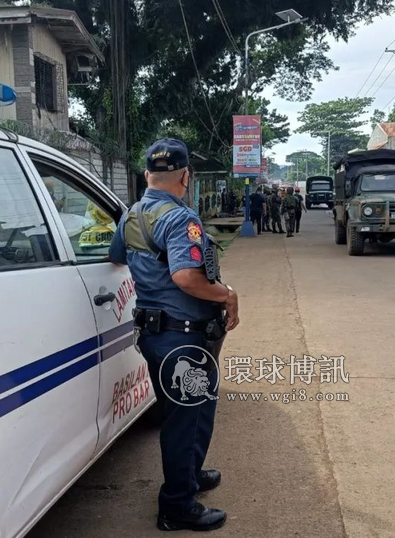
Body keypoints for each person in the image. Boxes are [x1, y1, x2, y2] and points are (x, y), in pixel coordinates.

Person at [109, 138, 240, 532]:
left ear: (148, 175)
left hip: (155, 335)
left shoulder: (132, 215)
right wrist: (228, 296)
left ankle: (190, 476)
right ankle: (177, 506)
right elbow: (187, 278)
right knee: (186, 420)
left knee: (189, 414)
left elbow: (117, 257)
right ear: (186, 176)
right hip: (183, 338)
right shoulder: (181, 220)